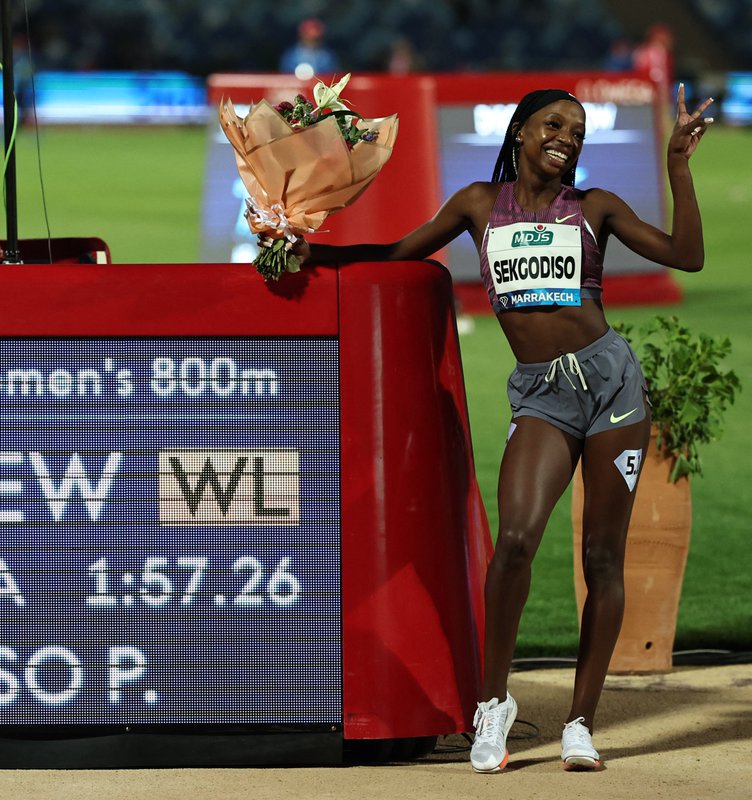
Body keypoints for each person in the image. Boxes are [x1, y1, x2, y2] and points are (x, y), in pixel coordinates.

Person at [269, 84, 713, 772]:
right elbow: (399, 252)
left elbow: (687, 256)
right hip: (541, 395)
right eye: (553, 124)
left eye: (578, 128)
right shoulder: (480, 204)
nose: (567, 135)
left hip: (613, 390)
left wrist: (677, 165)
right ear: (521, 133)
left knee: (602, 557)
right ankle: (492, 708)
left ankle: (579, 722)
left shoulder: (595, 208)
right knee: (513, 543)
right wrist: (314, 258)